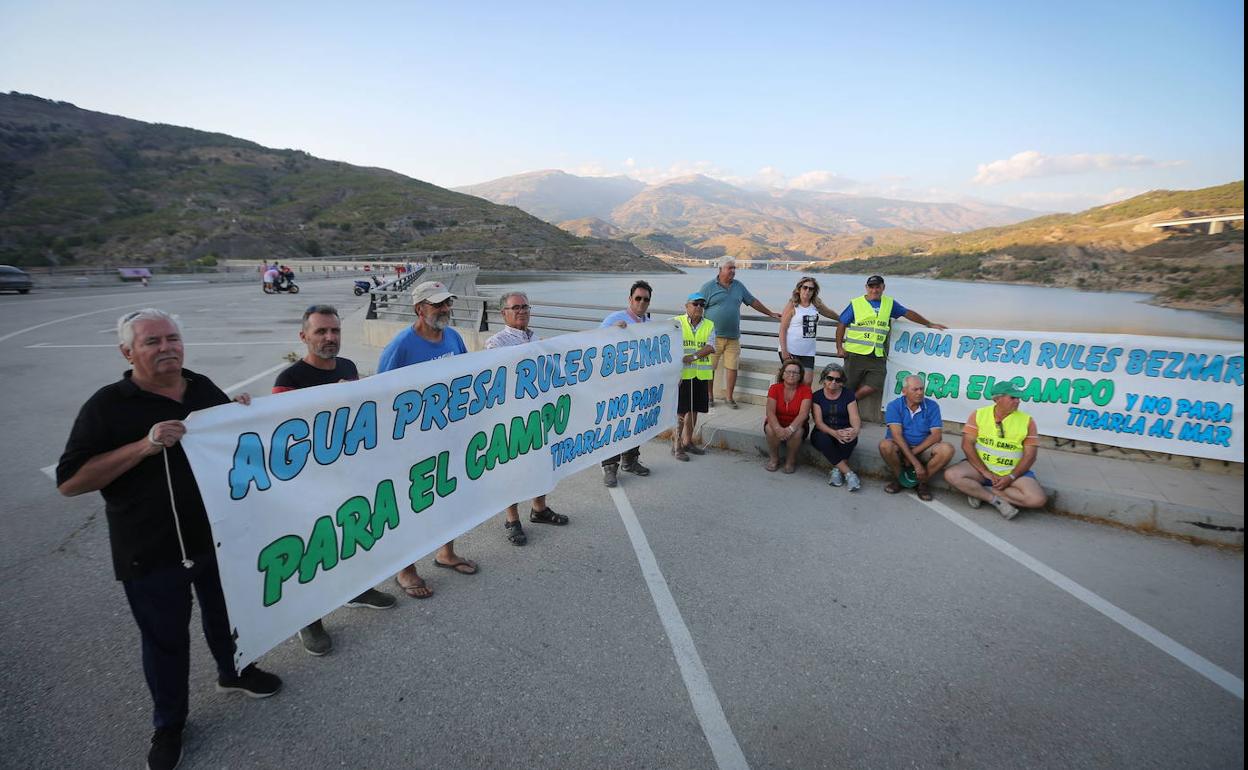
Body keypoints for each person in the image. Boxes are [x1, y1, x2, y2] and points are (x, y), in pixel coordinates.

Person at [56, 309, 281, 770]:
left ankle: (235, 672)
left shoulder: (199, 387)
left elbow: (231, 438)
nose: (166, 348)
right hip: (151, 548)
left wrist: (239, 411)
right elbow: (71, 481)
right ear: (127, 352)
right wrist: (145, 445)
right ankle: (170, 724)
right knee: (165, 641)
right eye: (152, 342)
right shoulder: (107, 406)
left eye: (172, 339)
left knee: (227, 615)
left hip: (215, 537)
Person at [273, 304, 398, 656]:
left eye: (335, 331)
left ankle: (357, 590)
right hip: (309, 482)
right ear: (304, 337)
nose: (330, 338)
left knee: (354, 533)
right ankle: (308, 620)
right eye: (321, 332)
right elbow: (281, 438)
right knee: (314, 549)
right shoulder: (289, 380)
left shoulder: (347, 367)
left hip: (347, 473)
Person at [378, 281, 479, 588]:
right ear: (419, 309)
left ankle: (446, 553)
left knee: (449, 495)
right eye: (438, 304)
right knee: (412, 504)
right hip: (413, 442)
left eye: (448, 303)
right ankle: (405, 570)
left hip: (449, 434)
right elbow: (380, 394)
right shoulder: (401, 346)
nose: (445, 309)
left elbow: (466, 374)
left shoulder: (454, 337)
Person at [485, 291, 568, 543]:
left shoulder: (536, 338)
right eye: (516, 308)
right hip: (512, 417)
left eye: (525, 307)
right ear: (504, 313)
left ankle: (539, 509)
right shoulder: (495, 343)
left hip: (539, 413)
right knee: (513, 468)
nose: (522, 311)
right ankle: (512, 520)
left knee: (542, 463)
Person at [835, 274, 947, 404]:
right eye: (871, 287)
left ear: (883, 288)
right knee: (847, 385)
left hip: (877, 355)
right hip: (855, 354)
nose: (874, 290)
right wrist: (839, 347)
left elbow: (908, 313)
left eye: (878, 287)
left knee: (876, 383)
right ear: (866, 288)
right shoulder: (856, 303)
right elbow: (842, 323)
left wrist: (928, 324)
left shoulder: (889, 303)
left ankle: (850, 402)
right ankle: (839, 411)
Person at [943, 381, 1048, 519]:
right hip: (981, 469)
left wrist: (1011, 477)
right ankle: (995, 500)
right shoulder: (979, 414)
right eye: (1013, 397)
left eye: (1018, 398)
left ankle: (980, 492)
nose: (1017, 401)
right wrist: (984, 471)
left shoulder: (1027, 421)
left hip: (1011, 471)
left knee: (1037, 499)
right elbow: (967, 445)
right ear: (997, 399)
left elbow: (1030, 456)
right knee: (951, 475)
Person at [699, 256, 781, 408]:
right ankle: (709, 396)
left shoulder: (738, 286)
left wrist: (770, 313)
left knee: (732, 368)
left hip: (733, 337)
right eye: (730, 268)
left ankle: (729, 398)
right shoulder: (708, 287)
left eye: (734, 268)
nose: (733, 271)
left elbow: (752, 301)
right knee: (709, 369)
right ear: (720, 269)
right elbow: (697, 306)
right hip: (712, 337)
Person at [599, 280, 655, 487]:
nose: (641, 302)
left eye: (646, 299)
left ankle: (630, 460)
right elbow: (595, 343)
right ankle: (610, 467)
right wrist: (612, 331)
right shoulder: (615, 319)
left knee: (637, 423)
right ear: (630, 299)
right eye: (638, 298)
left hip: (639, 384)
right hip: (617, 384)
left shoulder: (649, 324)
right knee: (615, 424)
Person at [879, 375, 955, 501]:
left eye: (921, 389)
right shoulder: (894, 406)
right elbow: (896, 436)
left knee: (947, 449)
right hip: (901, 446)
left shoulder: (932, 406)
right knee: (885, 445)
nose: (920, 393)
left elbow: (937, 435)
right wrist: (915, 463)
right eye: (915, 389)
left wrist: (913, 454)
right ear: (904, 391)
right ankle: (901, 479)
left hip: (923, 447)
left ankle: (921, 483)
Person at [671, 291, 716, 461]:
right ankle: (677, 445)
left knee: (694, 409)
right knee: (681, 411)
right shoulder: (676, 323)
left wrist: (693, 356)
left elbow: (711, 346)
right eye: (695, 304)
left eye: (702, 305)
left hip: (701, 374)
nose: (699, 307)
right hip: (683, 374)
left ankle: (688, 441)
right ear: (686, 306)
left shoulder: (709, 324)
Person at [810, 362, 862, 491]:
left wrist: (855, 429)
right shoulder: (817, 396)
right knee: (824, 440)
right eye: (830, 378)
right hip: (824, 431)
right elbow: (819, 423)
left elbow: (854, 417)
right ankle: (849, 473)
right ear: (823, 379)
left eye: (837, 379)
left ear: (842, 382)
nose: (833, 382)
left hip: (844, 429)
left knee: (849, 436)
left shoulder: (848, 394)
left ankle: (836, 471)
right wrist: (835, 433)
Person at [763, 358, 813, 473]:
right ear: (783, 374)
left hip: (797, 424)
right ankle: (774, 459)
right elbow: (770, 411)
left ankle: (790, 461)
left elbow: (803, 414)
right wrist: (777, 428)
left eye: (795, 372)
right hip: (777, 422)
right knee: (770, 429)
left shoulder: (806, 390)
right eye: (788, 372)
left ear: (800, 376)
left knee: (798, 432)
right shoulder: (774, 388)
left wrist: (790, 429)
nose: (792, 375)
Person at [778, 276, 825, 387]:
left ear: (814, 292)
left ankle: (801, 404)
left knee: (807, 382)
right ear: (799, 289)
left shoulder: (816, 306)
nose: (807, 291)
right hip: (791, 350)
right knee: (790, 381)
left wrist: (844, 320)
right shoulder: (792, 305)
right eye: (805, 287)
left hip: (808, 352)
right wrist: (784, 351)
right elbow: (782, 329)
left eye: (811, 289)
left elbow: (830, 313)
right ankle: (784, 403)